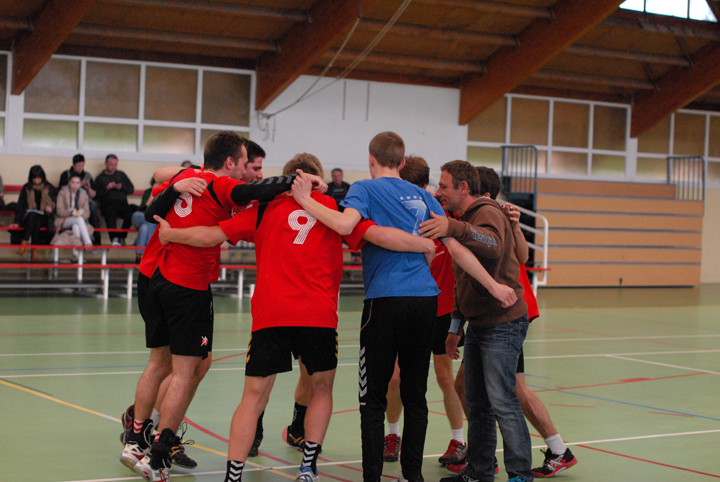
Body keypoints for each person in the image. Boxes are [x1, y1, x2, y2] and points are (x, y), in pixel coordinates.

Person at [154, 153, 437, 482]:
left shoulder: (263, 209)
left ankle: (233, 475)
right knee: (322, 389)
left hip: (271, 315)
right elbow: (380, 236)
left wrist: (171, 235)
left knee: (253, 397)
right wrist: (422, 244)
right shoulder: (334, 209)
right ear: (318, 180)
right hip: (318, 316)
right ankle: (308, 468)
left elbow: (210, 235)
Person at [290, 133, 516, 482]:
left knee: (372, 399)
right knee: (416, 396)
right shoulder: (424, 196)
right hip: (424, 301)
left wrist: (305, 199)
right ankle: (413, 476)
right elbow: (455, 248)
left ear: (371, 159)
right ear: (403, 163)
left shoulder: (364, 189)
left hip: (385, 300)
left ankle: (373, 477)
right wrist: (494, 285)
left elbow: (345, 224)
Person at [120, 132, 326, 482]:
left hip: (154, 274)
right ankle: (158, 451)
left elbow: (156, 186)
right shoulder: (223, 185)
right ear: (232, 163)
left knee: (172, 363)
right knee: (185, 370)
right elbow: (246, 198)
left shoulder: (191, 176)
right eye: (250, 166)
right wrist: (300, 181)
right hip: (186, 282)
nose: (255, 174)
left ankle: (137, 436)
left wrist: (178, 182)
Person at [447, 167, 578, 479]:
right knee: (484, 393)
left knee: (506, 394)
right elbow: (463, 278)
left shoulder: (489, 217)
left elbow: (520, 255)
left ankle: (532, 462)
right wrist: (456, 326)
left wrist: (514, 226)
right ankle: (487, 464)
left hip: (508, 312)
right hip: (488, 316)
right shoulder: (477, 219)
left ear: (477, 192)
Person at [420, 160, 532, 482]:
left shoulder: (487, 211)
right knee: (478, 403)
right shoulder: (466, 218)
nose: (438, 192)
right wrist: (455, 328)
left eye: (444, 186)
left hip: (503, 323)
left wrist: (452, 228)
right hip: (480, 325)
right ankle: (479, 471)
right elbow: (463, 281)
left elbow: (493, 246)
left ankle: (520, 475)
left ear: (463, 188)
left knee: (503, 401)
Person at [382, 156, 467, 468]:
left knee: (445, 378)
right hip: (406, 305)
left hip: (442, 309)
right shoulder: (394, 215)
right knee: (395, 378)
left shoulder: (444, 214)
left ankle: (458, 440)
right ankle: (392, 435)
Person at [10, 165, 56, 262]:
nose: (36, 181)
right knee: (33, 217)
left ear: (42, 177)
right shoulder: (27, 188)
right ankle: (34, 249)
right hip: (30, 218)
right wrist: (17, 222)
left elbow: (54, 204)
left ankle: (24, 243)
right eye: (34, 178)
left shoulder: (50, 188)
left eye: (38, 178)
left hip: (45, 217)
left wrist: (50, 209)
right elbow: (20, 206)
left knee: (34, 217)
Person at [95, 154, 137, 246]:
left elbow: (131, 189)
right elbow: (96, 195)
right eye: (111, 165)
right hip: (107, 205)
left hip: (122, 205)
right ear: (106, 164)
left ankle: (121, 236)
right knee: (109, 211)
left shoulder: (121, 175)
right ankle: (114, 238)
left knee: (133, 211)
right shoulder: (100, 178)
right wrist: (107, 188)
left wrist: (122, 187)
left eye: (115, 165)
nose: (113, 167)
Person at [60, 154, 101, 245]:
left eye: (82, 165)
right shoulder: (66, 174)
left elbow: (93, 195)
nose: (80, 168)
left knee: (92, 206)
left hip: (85, 201)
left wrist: (88, 188)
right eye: (78, 166)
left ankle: (96, 237)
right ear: (73, 165)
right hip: (70, 201)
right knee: (78, 220)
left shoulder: (87, 176)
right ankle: (87, 243)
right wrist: (78, 185)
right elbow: (62, 191)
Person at [54, 173, 94, 258]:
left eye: (77, 183)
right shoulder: (62, 192)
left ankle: (76, 254)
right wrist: (71, 213)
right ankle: (88, 243)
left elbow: (87, 213)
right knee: (78, 219)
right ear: (69, 183)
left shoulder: (83, 194)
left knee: (76, 225)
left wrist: (80, 213)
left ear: (80, 184)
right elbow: (59, 211)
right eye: (73, 182)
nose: (75, 185)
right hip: (64, 220)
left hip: (79, 221)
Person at [131, 178, 158, 263]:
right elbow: (146, 207)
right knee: (149, 220)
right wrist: (153, 192)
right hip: (140, 215)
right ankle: (150, 249)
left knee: (144, 228)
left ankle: (138, 255)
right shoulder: (148, 191)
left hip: (151, 220)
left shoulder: (164, 194)